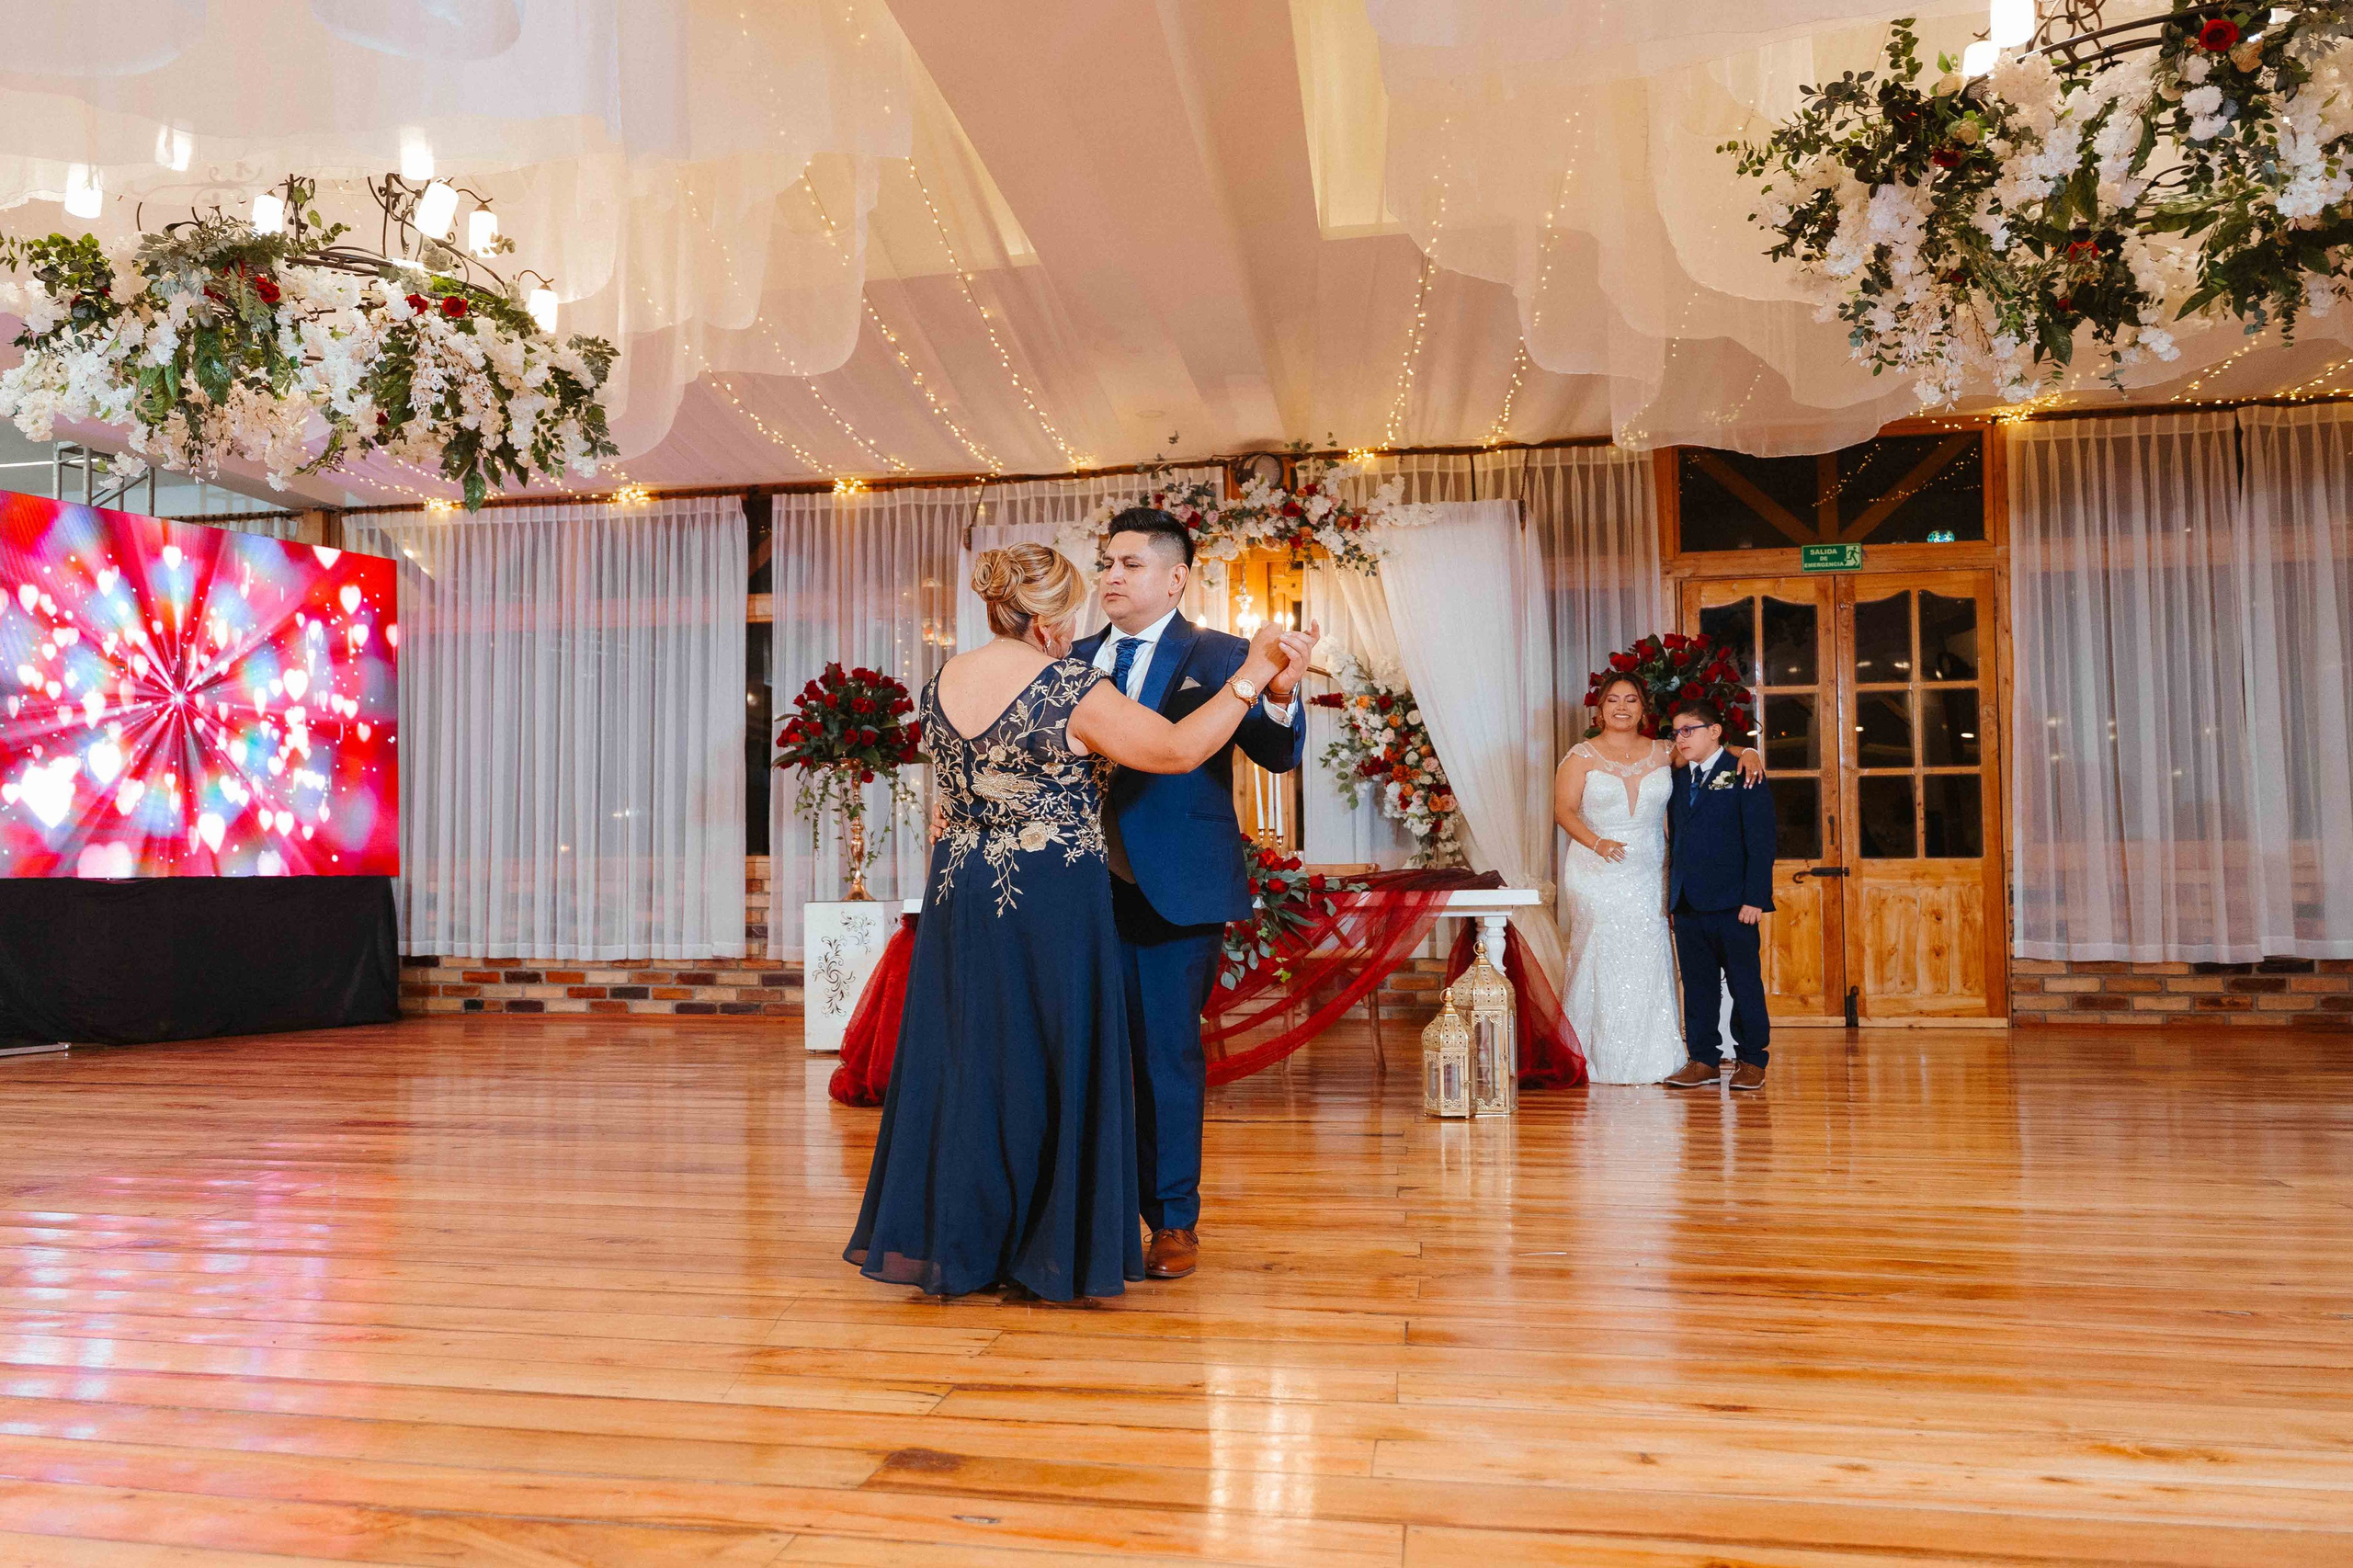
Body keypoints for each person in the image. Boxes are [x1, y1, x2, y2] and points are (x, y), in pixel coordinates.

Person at [845, 542, 1311, 1301]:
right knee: (1055, 1061)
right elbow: (1172, 749)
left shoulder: (944, 680)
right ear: (1055, 614)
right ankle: (1048, 1245)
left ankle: (967, 1242)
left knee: (977, 1061)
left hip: (961, 890)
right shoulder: (1068, 682)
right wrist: (1255, 672)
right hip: (1046, 892)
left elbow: (952, 797)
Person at [1071, 508, 1309, 1282]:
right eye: (1108, 562)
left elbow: (1276, 754)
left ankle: (1173, 1221)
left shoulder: (1224, 654)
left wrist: (1280, 694)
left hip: (1175, 890)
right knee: (1081, 1055)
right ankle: (1087, 1212)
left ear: (1175, 578)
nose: (1111, 575)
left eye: (1130, 564)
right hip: (1075, 888)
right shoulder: (1068, 660)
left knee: (1164, 1059)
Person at [1553, 675, 1763, 1085]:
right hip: (1597, 868)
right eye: (1613, 699)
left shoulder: (1666, 751)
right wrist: (1597, 844)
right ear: (1600, 710)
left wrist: (1749, 750)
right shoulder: (1580, 756)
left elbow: (1712, 750)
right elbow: (1564, 811)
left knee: (1650, 952)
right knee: (1603, 950)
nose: (1621, 706)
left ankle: (1662, 1055)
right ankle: (1596, 1052)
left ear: (1642, 709)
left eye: (1631, 699)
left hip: (1651, 869)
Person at [1661, 699, 1778, 1092]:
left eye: (1689, 729)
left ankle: (1751, 1059)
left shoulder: (1743, 771)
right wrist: (1673, 898)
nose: (1681, 738)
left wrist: (1755, 898)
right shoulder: (1677, 778)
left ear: (1714, 732)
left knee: (1744, 983)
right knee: (1698, 985)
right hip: (1689, 902)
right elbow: (1676, 840)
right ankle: (1704, 1059)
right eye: (1676, 732)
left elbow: (1760, 841)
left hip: (1735, 903)